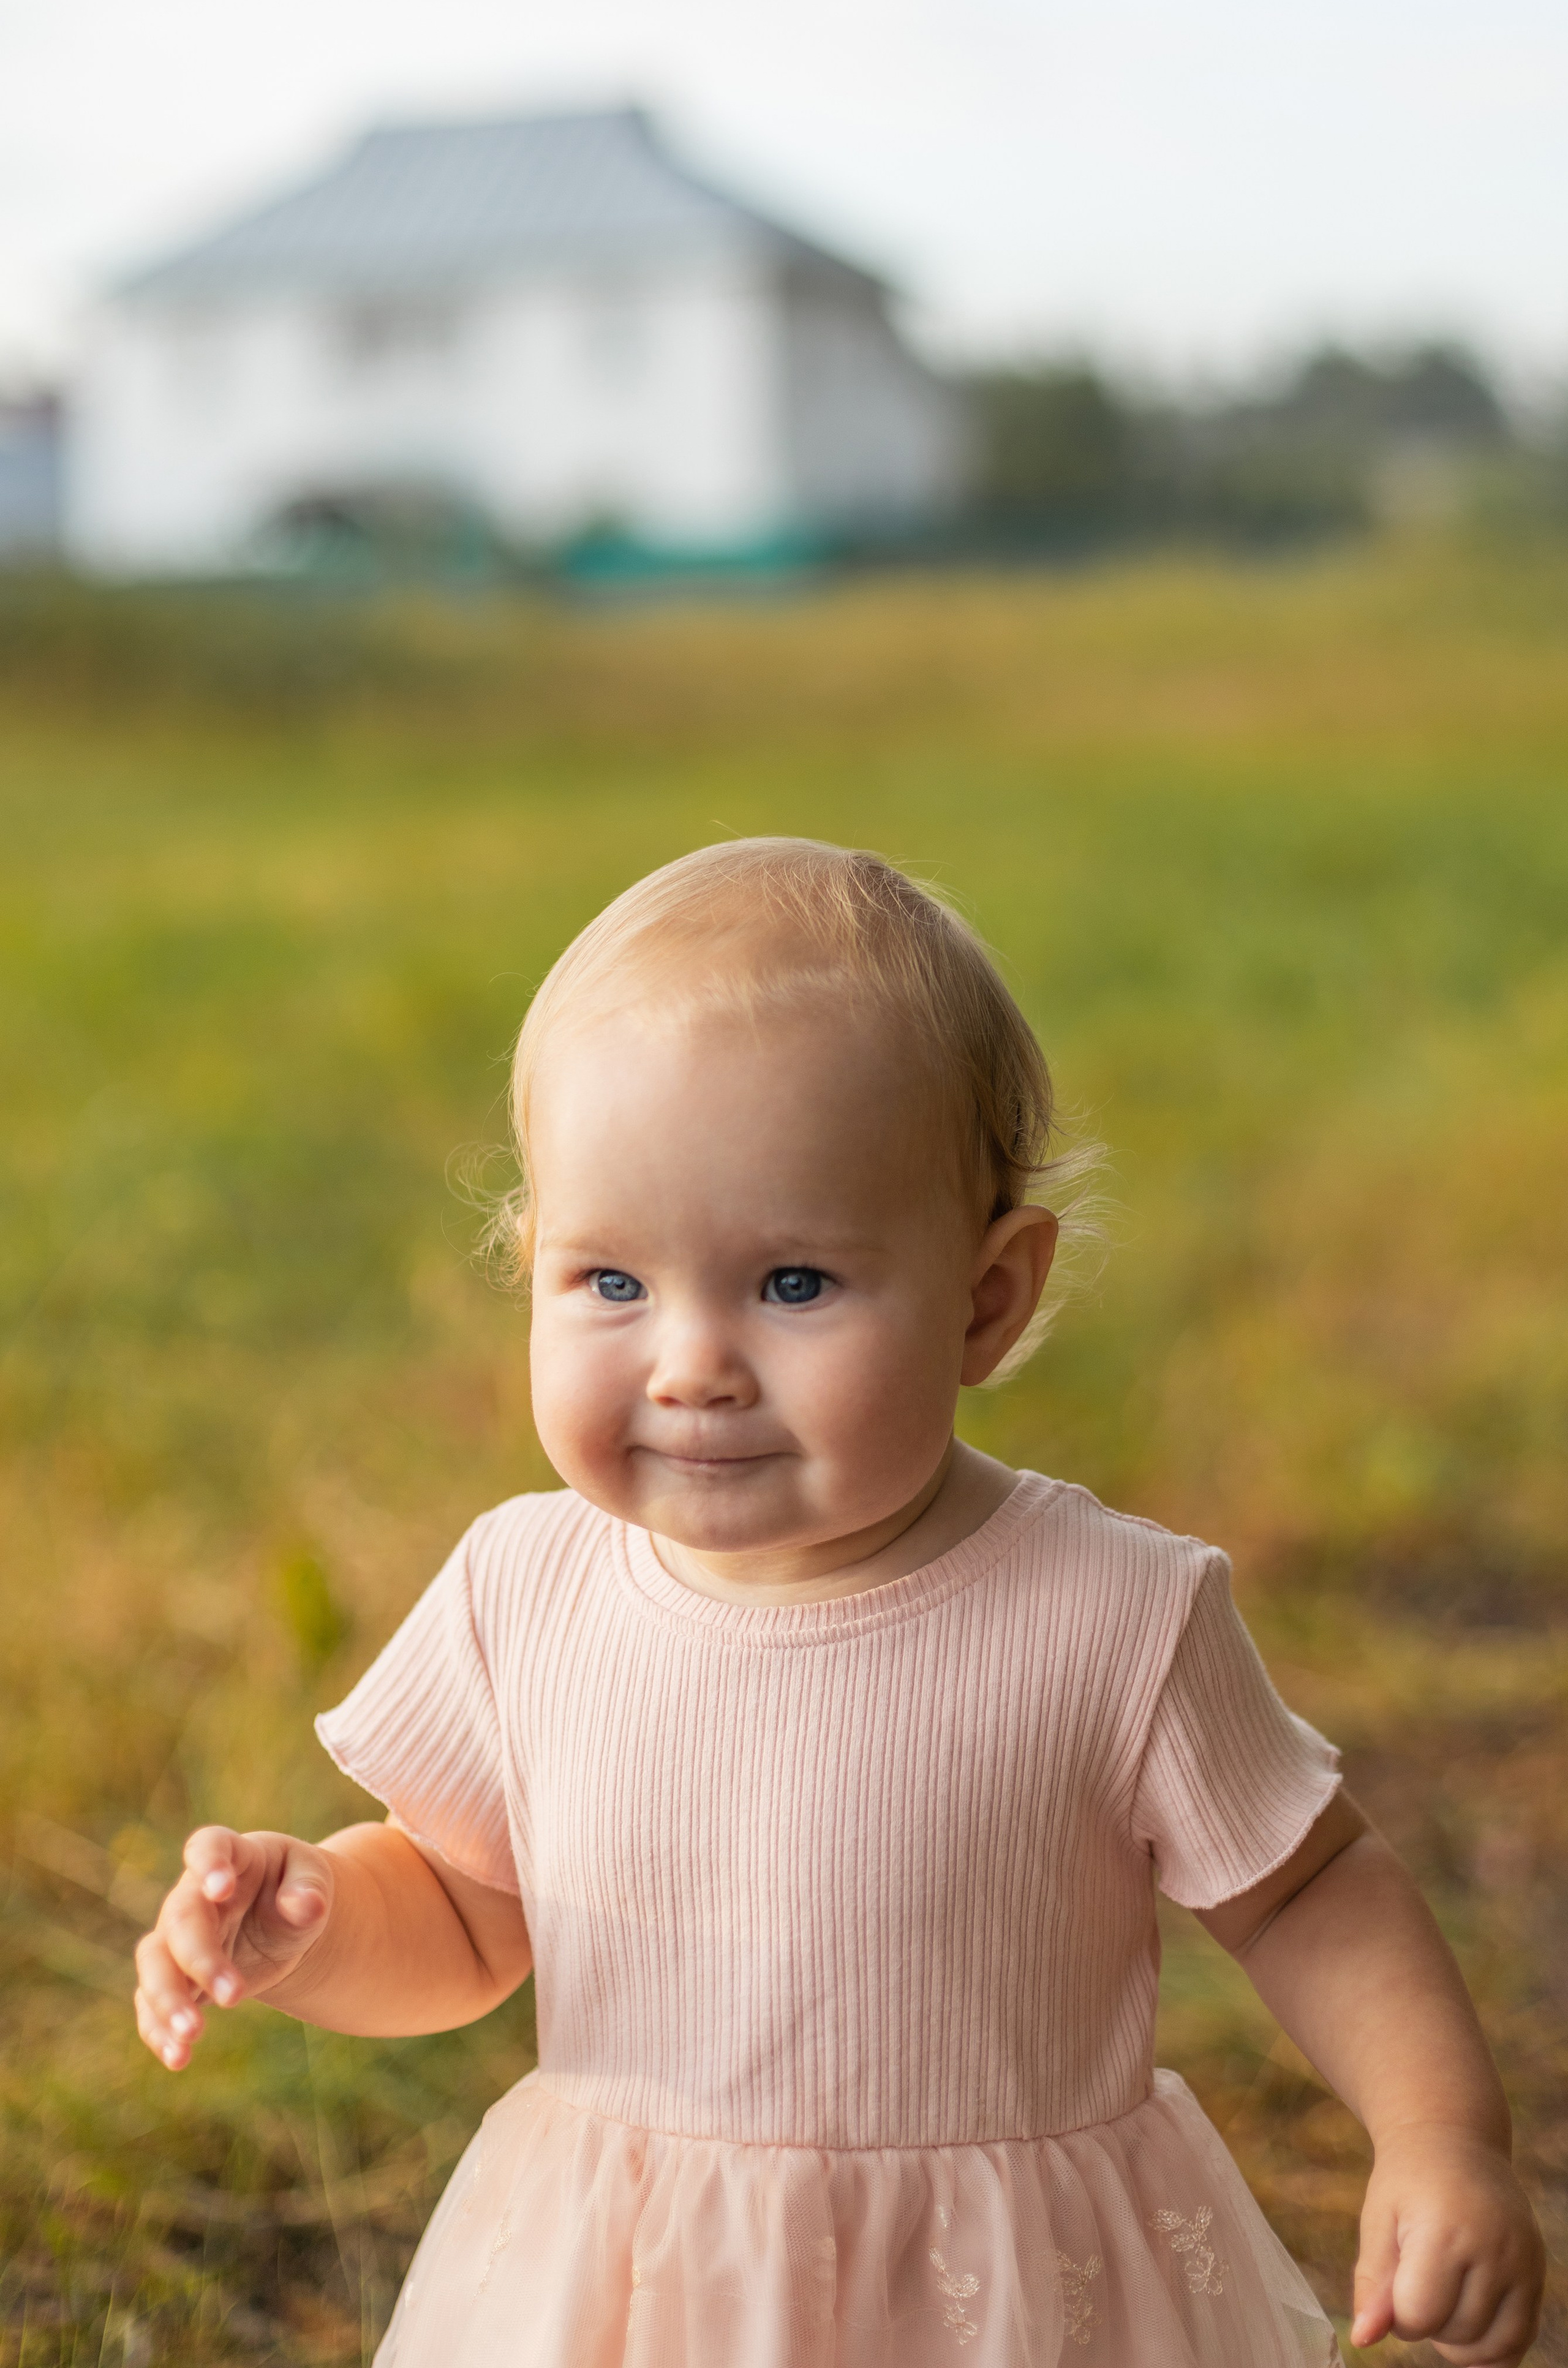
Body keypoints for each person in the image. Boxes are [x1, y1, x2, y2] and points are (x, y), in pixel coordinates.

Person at [134, 839, 1542, 2367]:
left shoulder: (1110, 1615)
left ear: (984, 1300)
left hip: (1003, 2300)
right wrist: (320, 1922)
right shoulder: (522, 1594)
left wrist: (1435, 2130)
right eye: (611, 1282)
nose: (691, 1362)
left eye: (792, 1283)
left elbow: (1304, 1891)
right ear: (528, 1263)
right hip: (639, 2291)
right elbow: (470, 1916)